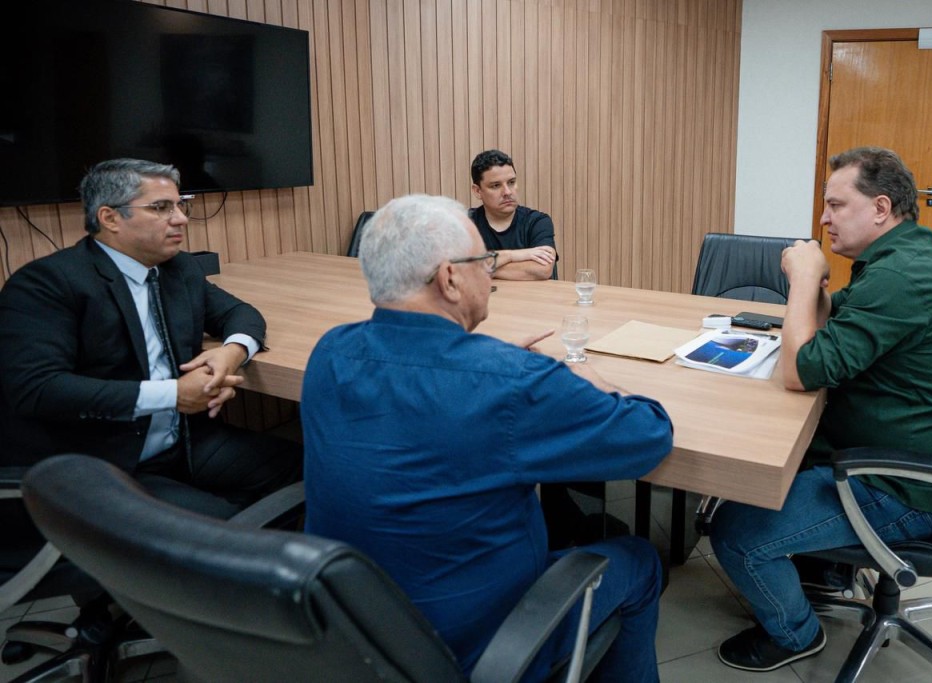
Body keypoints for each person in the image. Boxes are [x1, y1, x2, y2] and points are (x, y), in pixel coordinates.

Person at [303, 194, 674, 682]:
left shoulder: (329, 352)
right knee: (641, 560)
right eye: (485, 262)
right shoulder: (512, 382)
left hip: (348, 638)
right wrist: (593, 382)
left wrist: (484, 361)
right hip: (474, 645)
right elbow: (648, 436)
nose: (491, 274)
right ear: (449, 279)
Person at [710, 147, 932, 672]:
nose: (823, 218)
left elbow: (801, 370)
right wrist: (815, 289)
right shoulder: (899, 259)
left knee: (736, 534)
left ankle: (797, 635)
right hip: (892, 450)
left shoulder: (901, 278)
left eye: (836, 205)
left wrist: (800, 282)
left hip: (901, 485)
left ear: (880, 208)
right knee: (765, 477)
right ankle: (820, 567)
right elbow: (831, 331)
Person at [0, 158, 302, 520]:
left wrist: (231, 353)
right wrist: (174, 394)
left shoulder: (178, 268)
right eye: (161, 208)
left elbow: (240, 314)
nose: (181, 219)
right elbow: (37, 388)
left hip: (185, 441)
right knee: (223, 528)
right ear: (110, 218)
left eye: (180, 205)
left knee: (312, 471)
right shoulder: (48, 283)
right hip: (106, 460)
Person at [470, 149, 558, 280]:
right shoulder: (465, 224)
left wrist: (481, 268)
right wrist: (513, 256)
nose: (507, 192)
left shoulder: (537, 221)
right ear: (477, 191)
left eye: (511, 182)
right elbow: (455, 266)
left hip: (534, 294)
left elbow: (543, 269)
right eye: (496, 185)